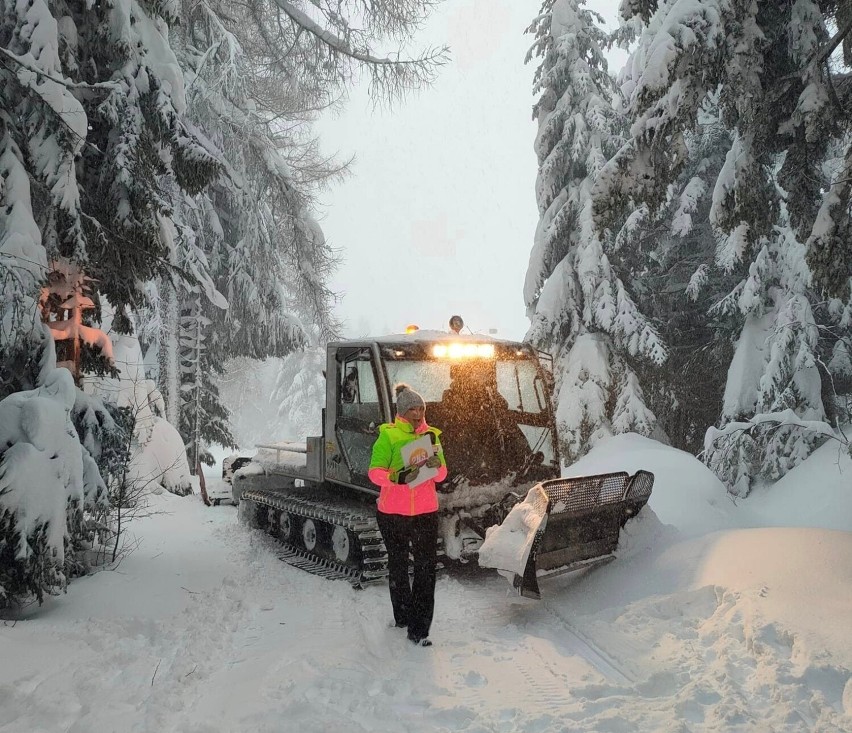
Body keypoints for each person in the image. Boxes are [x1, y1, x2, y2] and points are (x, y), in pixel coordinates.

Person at [368, 383, 447, 647]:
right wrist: (396, 477)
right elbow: (374, 472)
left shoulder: (432, 436)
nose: (418, 413)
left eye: (421, 408)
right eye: (412, 408)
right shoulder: (388, 437)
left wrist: (436, 466)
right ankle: (401, 615)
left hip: (425, 513)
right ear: (402, 412)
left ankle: (419, 630)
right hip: (393, 514)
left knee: (426, 570)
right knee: (399, 565)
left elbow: (443, 474)